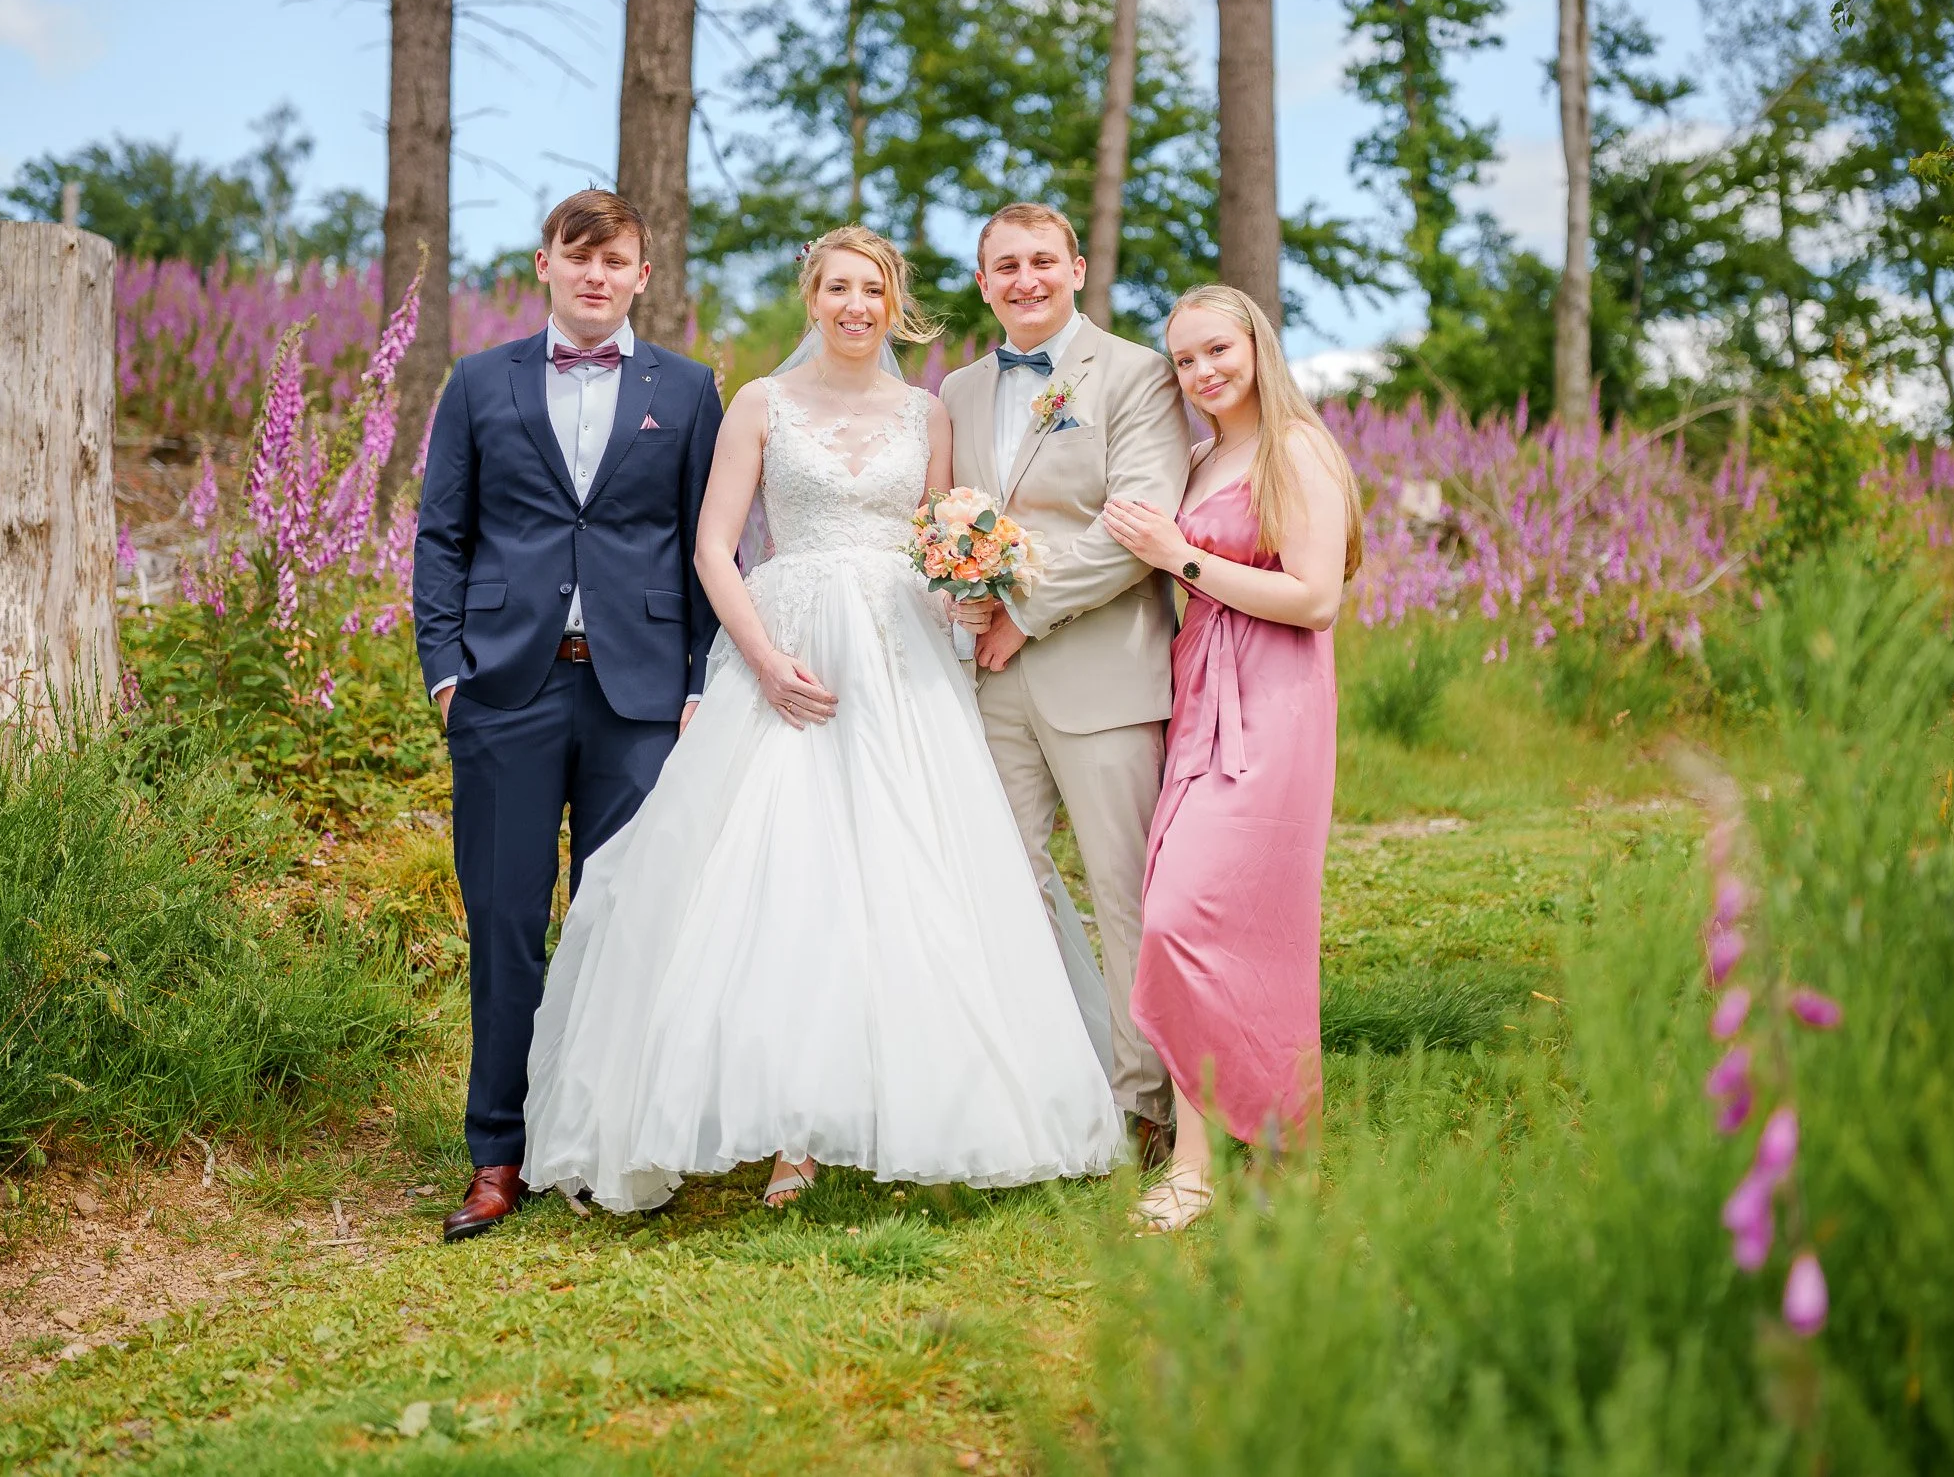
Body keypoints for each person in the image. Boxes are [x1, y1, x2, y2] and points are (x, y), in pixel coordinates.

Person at [516, 225, 1125, 1213]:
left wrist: (966, 593)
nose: (854, 304)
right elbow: (716, 548)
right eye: (837, 286)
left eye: (872, 289)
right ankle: (788, 1124)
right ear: (812, 297)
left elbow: (939, 536)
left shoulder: (926, 413)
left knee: (908, 868)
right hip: (788, 647)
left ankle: (929, 1100)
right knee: (779, 873)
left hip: (900, 658)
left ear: (894, 304)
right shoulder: (760, 403)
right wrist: (762, 660)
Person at [411, 189, 724, 1244]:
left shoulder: (685, 390)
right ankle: (496, 1153)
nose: (596, 275)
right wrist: (444, 670)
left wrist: (695, 682)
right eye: (576, 256)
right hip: (505, 688)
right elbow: (441, 536)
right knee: (506, 923)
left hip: (639, 696)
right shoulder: (476, 380)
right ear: (541, 263)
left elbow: (705, 542)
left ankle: (597, 1138)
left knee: (620, 922)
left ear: (643, 274)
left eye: (616, 259)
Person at [1100, 284, 1361, 1232]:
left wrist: (1182, 557)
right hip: (1203, 693)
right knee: (1198, 915)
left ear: (1257, 345)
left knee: (1193, 914)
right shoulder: (1207, 454)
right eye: (1185, 360)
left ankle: (1203, 1163)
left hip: (1277, 702)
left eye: (1219, 351)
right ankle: (1231, 1134)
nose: (1204, 372)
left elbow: (1316, 597)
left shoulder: (1297, 448)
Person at [938, 202, 1193, 1165]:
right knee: (1003, 884)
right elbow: (944, 516)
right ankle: (1039, 1086)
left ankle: (1146, 1102)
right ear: (982, 281)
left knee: (1125, 893)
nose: (1026, 279)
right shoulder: (957, 390)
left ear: (1077, 267)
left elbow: (1135, 527)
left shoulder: (1135, 374)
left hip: (1107, 675)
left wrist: (1021, 614)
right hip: (985, 683)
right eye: (1006, 266)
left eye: (1043, 260)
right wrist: (957, 598)